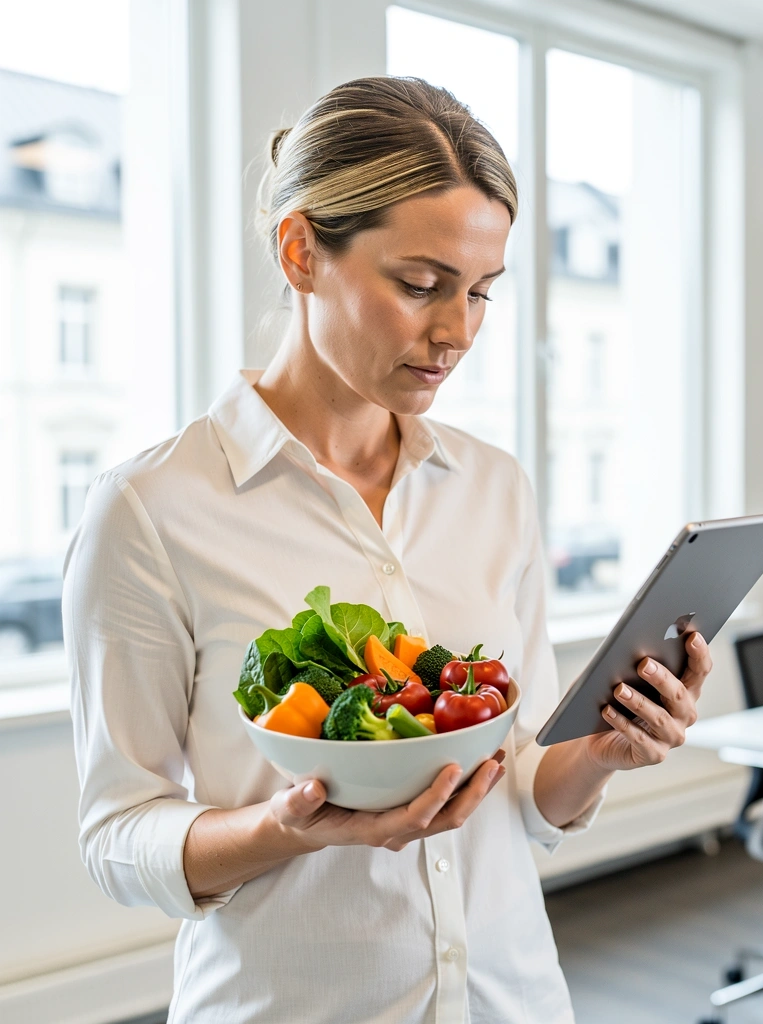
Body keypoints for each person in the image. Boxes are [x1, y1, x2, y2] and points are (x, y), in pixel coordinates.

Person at [64, 77, 712, 1024]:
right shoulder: (152, 509)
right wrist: (286, 830)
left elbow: (523, 787)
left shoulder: (496, 488)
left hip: (512, 1000)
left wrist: (605, 753)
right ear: (300, 252)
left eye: (481, 293)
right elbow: (120, 837)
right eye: (419, 286)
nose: (456, 332)